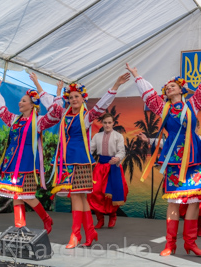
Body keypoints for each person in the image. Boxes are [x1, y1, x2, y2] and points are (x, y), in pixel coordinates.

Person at [126, 49, 201, 257]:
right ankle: (170, 244)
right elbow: (148, 94)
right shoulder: (162, 108)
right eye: (167, 87)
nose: (169, 88)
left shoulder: (192, 105)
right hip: (173, 160)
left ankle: (190, 242)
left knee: (194, 200)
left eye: (173, 86)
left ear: (181, 89)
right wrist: (137, 76)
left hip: (193, 158)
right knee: (173, 201)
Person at [39, 73, 130, 248]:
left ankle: (76, 235)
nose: (73, 99)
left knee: (77, 197)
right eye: (71, 97)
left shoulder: (86, 116)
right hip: (66, 161)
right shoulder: (63, 115)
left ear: (83, 98)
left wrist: (116, 85)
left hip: (81, 161)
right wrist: (40, 84)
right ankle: (89, 231)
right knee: (80, 198)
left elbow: (102, 105)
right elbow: (50, 104)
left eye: (77, 97)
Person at [0, 74, 62, 234]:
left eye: (24, 101)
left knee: (27, 196)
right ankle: (19, 226)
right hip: (11, 160)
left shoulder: (39, 121)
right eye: (20, 100)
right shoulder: (14, 119)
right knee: (16, 195)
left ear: (32, 105)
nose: (20, 102)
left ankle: (45, 218)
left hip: (27, 162)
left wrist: (41, 87)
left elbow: (57, 113)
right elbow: (0, 110)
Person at [138, 120, 201, 237]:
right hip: (182, 178)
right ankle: (187, 229)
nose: (190, 130)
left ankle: (200, 226)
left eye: (193, 127)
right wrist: (148, 140)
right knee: (183, 204)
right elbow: (163, 142)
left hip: (198, 178)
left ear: (198, 127)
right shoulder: (179, 140)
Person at [87, 113, 128, 229]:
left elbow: (122, 151)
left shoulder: (118, 136)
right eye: (105, 122)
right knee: (95, 192)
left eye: (109, 122)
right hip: (100, 167)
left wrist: (117, 158)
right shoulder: (97, 136)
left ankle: (113, 216)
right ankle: (100, 219)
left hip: (113, 167)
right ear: (102, 123)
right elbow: (90, 149)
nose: (107, 125)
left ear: (113, 123)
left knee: (112, 193)